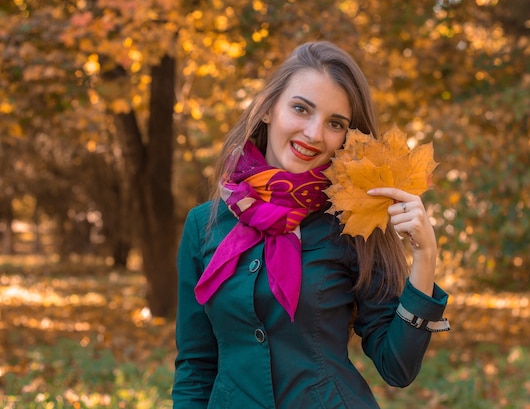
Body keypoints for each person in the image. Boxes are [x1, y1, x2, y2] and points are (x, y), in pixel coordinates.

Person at [173, 41, 450, 409]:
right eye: (301, 109)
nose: (314, 134)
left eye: (335, 123)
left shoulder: (354, 222)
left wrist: (425, 255)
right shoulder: (203, 225)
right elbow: (195, 365)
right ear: (268, 109)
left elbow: (396, 366)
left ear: (347, 137)